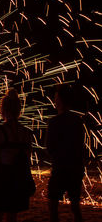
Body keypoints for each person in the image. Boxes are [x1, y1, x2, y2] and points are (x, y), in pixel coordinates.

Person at [0, 89, 34, 222]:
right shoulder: (27, 133)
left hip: (2, 178)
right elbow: (26, 160)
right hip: (17, 180)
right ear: (19, 110)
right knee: (12, 217)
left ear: (3, 109)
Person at [46, 85, 85, 222]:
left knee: (52, 204)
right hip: (75, 168)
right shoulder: (77, 121)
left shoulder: (54, 122)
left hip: (60, 169)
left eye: (56, 98)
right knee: (75, 206)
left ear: (61, 100)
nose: (54, 101)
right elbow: (80, 146)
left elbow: (49, 147)